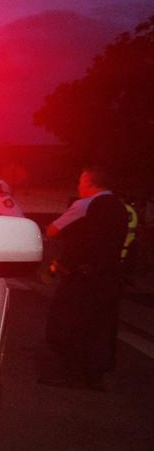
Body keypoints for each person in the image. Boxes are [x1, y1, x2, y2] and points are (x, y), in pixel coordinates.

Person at [41, 167, 130, 390]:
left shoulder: (85, 205)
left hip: (82, 277)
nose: (78, 186)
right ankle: (94, 376)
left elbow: (53, 231)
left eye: (81, 181)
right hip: (109, 276)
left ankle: (70, 372)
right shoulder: (120, 207)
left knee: (67, 324)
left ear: (91, 183)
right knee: (100, 328)